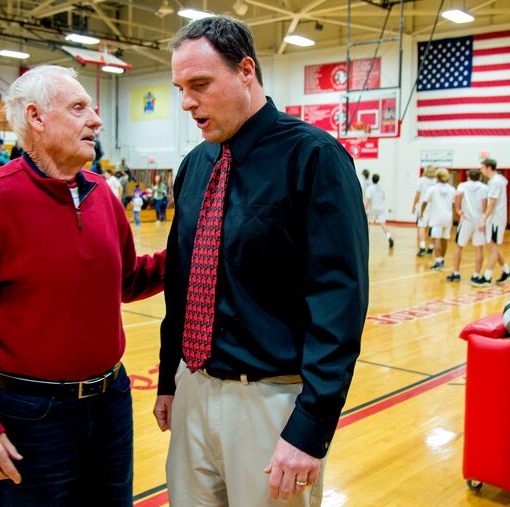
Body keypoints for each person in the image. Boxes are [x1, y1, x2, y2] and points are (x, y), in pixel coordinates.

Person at [0, 65, 166, 506]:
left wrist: (191, 251)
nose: (96, 120)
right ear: (37, 117)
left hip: (111, 404)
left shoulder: (103, 193)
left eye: (94, 108)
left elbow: (127, 279)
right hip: (29, 416)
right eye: (79, 108)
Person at [153, 16, 369, 507]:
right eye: (181, 88)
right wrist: (169, 378)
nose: (187, 102)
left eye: (200, 85)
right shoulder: (195, 165)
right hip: (192, 390)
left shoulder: (314, 156)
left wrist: (311, 427)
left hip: (271, 401)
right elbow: (180, 284)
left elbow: (339, 300)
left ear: (245, 70)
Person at [475, 158, 510, 286]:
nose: (481, 170)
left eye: (482, 168)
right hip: (496, 218)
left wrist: (483, 220)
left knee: (492, 248)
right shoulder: (497, 180)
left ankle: (487, 277)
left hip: (496, 219)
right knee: (494, 247)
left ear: (489, 168)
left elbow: (491, 204)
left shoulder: (496, 182)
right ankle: (507, 271)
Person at [446, 169, 488, 283]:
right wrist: (483, 219)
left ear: (468, 176)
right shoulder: (484, 187)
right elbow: (484, 204)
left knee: (459, 246)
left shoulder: (462, 185)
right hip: (479, 220)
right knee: (479, 248)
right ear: (479, 177)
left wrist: (458, 211)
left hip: (466, 220)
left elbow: (457, 198)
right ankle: (476, 275)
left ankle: (456, 273)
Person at [420, 168, 455, 271]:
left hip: (437, 218)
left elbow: (425, 202)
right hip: (448, 217)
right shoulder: (452, 189)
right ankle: (442, 259)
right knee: (444, 239)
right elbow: (454, 204)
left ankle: (438, 261)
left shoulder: (433, 189)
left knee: (437, 238)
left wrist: (421, 213)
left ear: (438, 177)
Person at [412, 165, 437, 256]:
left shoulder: (421, 180)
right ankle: (430, 248)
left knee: (421, 226)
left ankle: (422, 247)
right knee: (432, 228)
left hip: (423, 206)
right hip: (434, 208)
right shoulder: (436, 181)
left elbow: (417, 195)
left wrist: (414, 205)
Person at [364, 173, 393, 248]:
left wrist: (364, 210)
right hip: (381, 208)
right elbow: (383, 198)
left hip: (373, 208)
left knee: (367, 224)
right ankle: (389, 237)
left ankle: (365, 240)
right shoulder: (382, 188)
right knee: (383, 223)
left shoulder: (370, 189)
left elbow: (368, 200)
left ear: (372, 179)